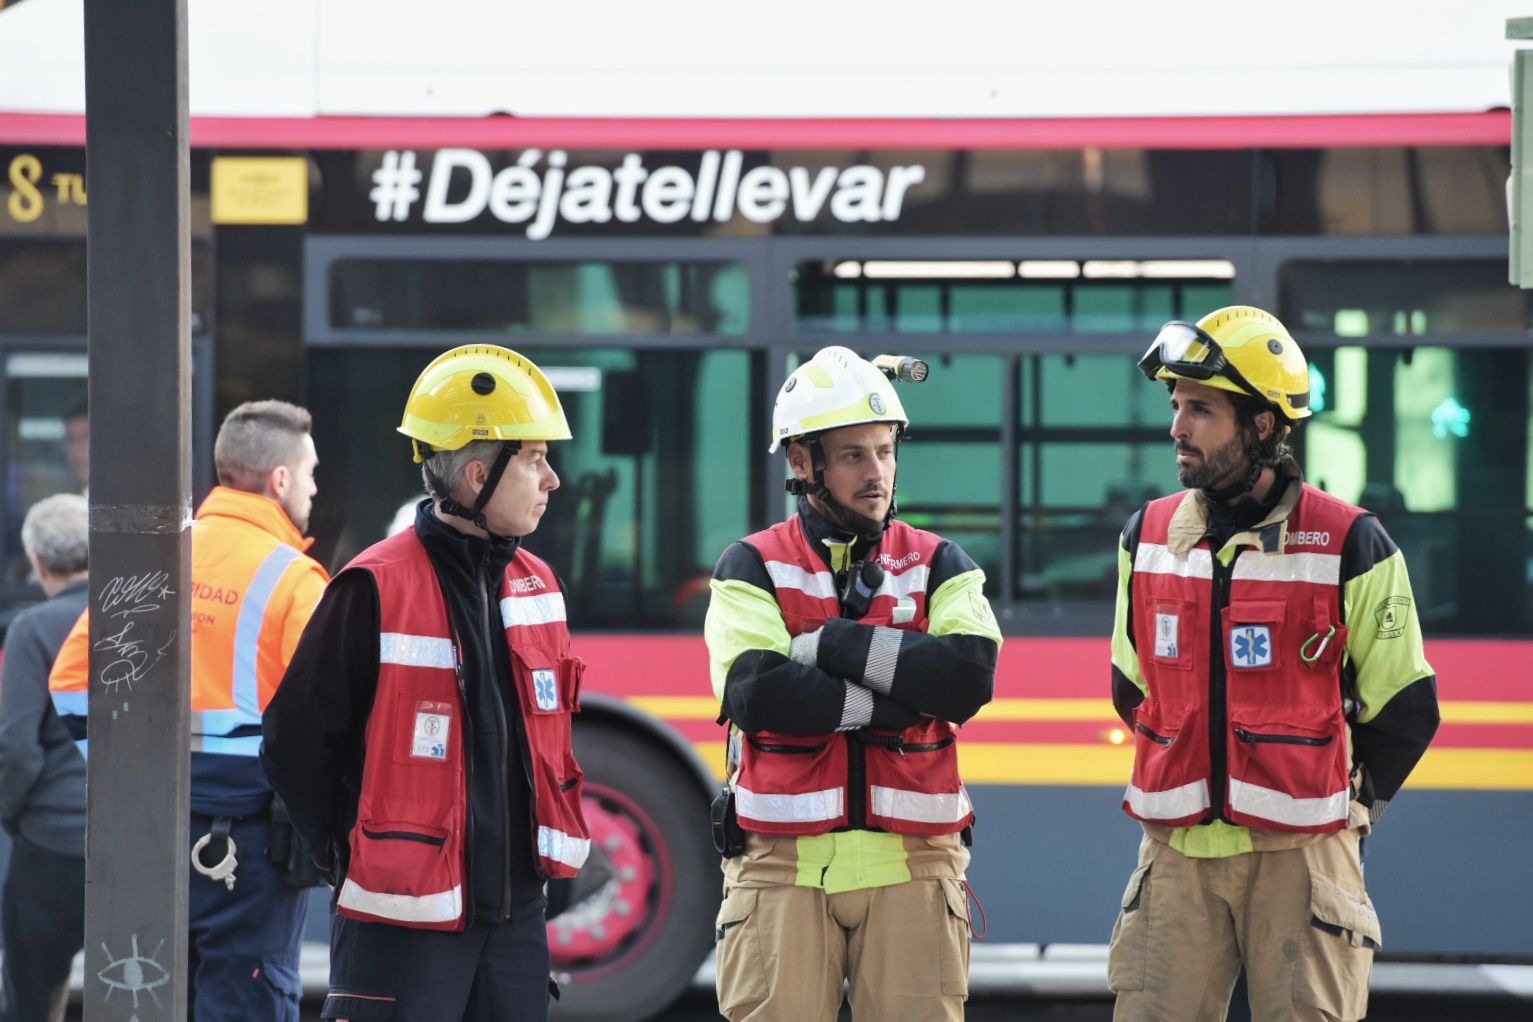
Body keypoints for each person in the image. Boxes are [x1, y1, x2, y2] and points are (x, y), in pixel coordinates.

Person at [1106, 307, 1441, 1022]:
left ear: (1262, 424)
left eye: (1201, 409)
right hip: (1175, 855)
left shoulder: (1353, 542)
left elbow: (1405, 708)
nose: (1177, 428)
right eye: (1175, 407)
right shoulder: (1147, 536)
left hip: (1303, 860)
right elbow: (1129, 685)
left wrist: (1345, 814)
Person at [260, 345, 589, 1022]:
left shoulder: (540, 584)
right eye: (532, 459)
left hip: (514, 923)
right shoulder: (372, 587)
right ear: (477, 474)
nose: (552, 479)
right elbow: (295, 743)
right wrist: (353, 854)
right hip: (401, 930)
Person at [705, 346, 1001, 1022]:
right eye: (852, 456)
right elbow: (757, 693)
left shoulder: (940, 562)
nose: (878, 474)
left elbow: (966, 678)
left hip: (916, 867)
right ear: (801, 463)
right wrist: (895, 701)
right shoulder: (749, 564)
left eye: (885, 451)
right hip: (780, 870)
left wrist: (829, 644)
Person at [49, 400, 328, 1021]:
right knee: (248, 994)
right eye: (309, 473)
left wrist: (122, 774)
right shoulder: (296, 579)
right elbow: (332, 717)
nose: (313, 487)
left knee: (152, 992)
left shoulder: (157, 558)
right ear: (278, 480)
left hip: (150, 822)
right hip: (251, 840)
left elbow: (71, 683)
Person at [0, 494, 89, 1022]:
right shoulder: (140, 614)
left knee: (32, 996)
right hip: (134, 840)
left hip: (50, 843)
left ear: (36, 564)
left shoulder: (33, 630)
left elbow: (15, 746)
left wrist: (13, 814)